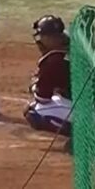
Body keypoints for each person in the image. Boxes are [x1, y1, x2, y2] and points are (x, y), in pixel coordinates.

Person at [24, 15, 73, 151]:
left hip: (86, 112)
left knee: (33, 112)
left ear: (50, 38)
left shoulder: (53, 60)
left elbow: (43, 98)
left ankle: (81, 136)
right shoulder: (74, 48)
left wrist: (34, 86)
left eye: (42, 36)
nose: (40, 40)